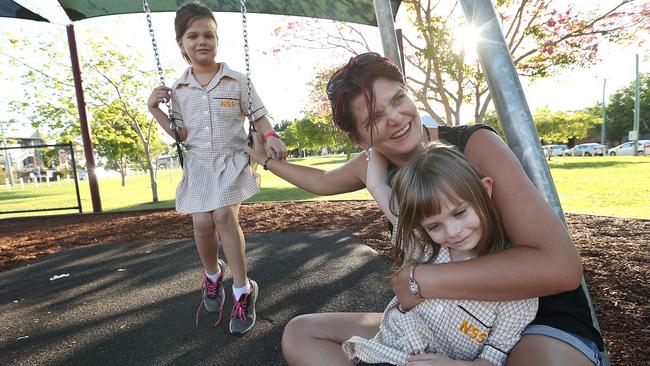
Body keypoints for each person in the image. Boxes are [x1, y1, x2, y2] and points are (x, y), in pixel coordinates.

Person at [244, 52, 603, 365]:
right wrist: (267, 161)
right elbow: (322, 182)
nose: (397, 118)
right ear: (358, 138)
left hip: (530, 319)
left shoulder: (472, 145)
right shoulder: (374, 164)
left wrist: (421, 280)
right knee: (300, 335)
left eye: (398, 99)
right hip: (441, 319)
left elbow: (560, 268)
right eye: (374, 118)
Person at [147, 1, 287, 334]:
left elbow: (258, 115)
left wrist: (268, 136)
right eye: (192, 36)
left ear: (216, 40)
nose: (201, 41)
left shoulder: (237, 80)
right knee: (202, 224)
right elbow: (181, 134)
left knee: (223, 216)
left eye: (208, 35)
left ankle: (242, 289)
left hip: (232, 159)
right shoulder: (178, 90)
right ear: (181, 43)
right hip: (198, 164)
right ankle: (213, 275)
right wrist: (156, 110)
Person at [341, 142, 537, 366]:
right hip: (384, 354)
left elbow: (493, 358)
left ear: (485, 190)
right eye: (434, 226)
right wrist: (375, 143)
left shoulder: (519, 292)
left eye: (460, 212)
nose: (453, 232)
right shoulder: (422, 245)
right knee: (301, 333)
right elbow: (376, 185)